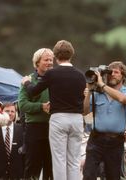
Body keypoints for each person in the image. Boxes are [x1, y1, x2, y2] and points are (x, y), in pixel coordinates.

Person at [21, 40, 86, 180]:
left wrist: (26, 82)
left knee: (59, 160)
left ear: (56, 56)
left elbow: (33, 91)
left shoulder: (52, 74)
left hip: (59, 118)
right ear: (71, 55)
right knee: (74, 160)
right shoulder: (81, 76)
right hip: (77, 119)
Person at [82, 61, 126, 180]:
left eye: (116, 72)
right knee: (88, 175)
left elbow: (122, 99)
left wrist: (102, 85)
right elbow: (84, 111)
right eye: (110, 72)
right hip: (96, 139)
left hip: (115, 141)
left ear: (123, 76)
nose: (112, 75)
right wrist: (89, 91)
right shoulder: (98, 93)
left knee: (113, 176)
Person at [18, 48, 53, 179]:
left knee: (50, 165)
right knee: (32, 165)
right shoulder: (28, 80)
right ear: (37, 62)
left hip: (53, 127)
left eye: (51, 60)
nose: (49, 62)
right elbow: (22, 104)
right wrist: (41, 107)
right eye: (46, 60)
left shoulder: (56, 80)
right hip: (34, 128)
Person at [0, 102, 24, 179]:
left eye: (12, 111)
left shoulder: (21, 129)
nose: (10, 114)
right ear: (1, 112)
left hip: (16, 175)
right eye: (7, 111)